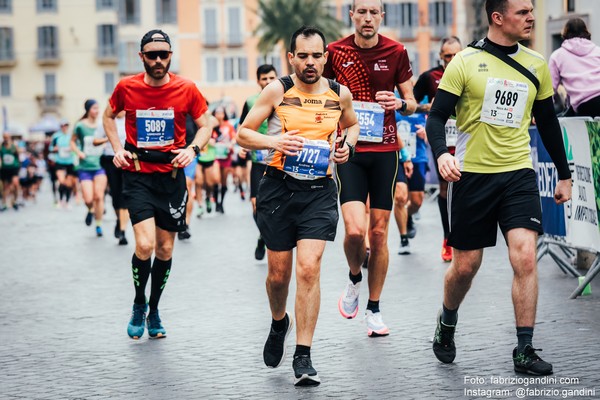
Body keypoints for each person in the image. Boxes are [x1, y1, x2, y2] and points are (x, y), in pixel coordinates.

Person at [425, 0, 572, 375]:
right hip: (472, 175)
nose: (531, 18)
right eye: (522, 12)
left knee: (524, 256)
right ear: (497, 17)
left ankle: (524, 348)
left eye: (531, 11)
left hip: (518, 173)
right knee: (465, 267)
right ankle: (447, 319)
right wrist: (442, 154)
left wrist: (564, 173)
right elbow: (437, 116)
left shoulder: (537, 63)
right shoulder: (464, 62)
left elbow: (548, 123)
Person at [237, 26, 359, 386]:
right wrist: (275, 143)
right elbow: (243, 134)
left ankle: (303, 354)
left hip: (319, 191)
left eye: (315, 55)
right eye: (301, 56)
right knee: (278, 276)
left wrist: (346, 148)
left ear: (325, 57)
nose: (309, 62)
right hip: (277, 190)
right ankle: (279, 322)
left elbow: (351, 128)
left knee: (309, 268)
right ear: (291, 58)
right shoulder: (277, 90)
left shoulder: (340, 94)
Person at [102, 29, 211, 340]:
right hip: (137, 176)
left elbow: (206, 124)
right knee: (145, 245)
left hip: (171, 179)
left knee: (164, 249)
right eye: (153, 55)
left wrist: (193, 149)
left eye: (164, 54)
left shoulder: (186, 88)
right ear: (142, 57)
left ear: (170, 56)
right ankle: (138, 303)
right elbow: (109, 116)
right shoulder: (127, 87)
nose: (159, 60)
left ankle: (155, 308)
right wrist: (117, 148)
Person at [323, 0, 416, 336]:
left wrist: (400, 103)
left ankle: (374, 309)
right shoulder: (334, 51)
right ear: (352, 15)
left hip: (385, 150)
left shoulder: (397, 51)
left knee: (379, 234)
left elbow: (412, 101)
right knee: (353, 232)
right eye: (360, 11)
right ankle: (354, 276)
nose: (366, 18)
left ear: (381, 16)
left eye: (372, 12)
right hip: (349, 148)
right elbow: (320, 95)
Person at [413, 36, 463, 261]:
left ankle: (464, 236)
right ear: (440, 57)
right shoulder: (429, 77)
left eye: (456, 55)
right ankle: (448, 238)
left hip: (466, 138)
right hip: (442, 138)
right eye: (448, 56)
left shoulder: (471, 71)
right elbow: (410, 104)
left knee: (466, 186)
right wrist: (428, 108)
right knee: (445, 186)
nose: (452, 60)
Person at [238, 64, 278, 260]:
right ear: (258, 81)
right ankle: (263, 234)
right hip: (258, 160)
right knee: (256, 203)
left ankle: (268, 233)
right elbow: (242, 129)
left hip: (278, 159)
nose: (268, 82)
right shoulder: (251, 101)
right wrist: (243, 146)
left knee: (275, 202)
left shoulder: (284, 98)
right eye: (264, 79)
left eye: (271, 78)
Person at [548, 17, 600, 118]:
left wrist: (544, 112)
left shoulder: (557, 56)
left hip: (585, 104)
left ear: (565, 34)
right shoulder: (597, 51)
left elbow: (549, 90)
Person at [71, 99, 108, 237]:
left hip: (100, 165)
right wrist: (78, 152)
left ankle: (98, 225)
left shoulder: (102, 125)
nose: (97, 111)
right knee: (88, 199)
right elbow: (72, 142)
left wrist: (105, 143)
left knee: (99, 196)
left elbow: (110, 137)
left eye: (98, 108)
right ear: (88, 110)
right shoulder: (80, 126)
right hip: (85, 166)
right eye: (94, 108)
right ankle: (91, 210)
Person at [98, 110, 129, 245]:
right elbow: (95, 140)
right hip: (111, 160)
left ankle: (122, 232)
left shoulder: (131, 120)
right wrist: (108, 138)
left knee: (125, 195)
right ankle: (119, 220)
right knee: (115, 195)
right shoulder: (107, 120)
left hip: (128, 161)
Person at [212, 107, 236, 213]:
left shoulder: (228, 126)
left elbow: (234, 138)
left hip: (226, 156)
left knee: (224, 181)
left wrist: (231, 144)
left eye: (221, 113)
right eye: (217, 113)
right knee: (216, 179)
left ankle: (221, 203)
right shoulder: (212, 125)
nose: (219, 115)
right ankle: (216, 202)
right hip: (215, 156)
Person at [49, 120, 77, 209]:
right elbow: (50, 148)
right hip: (59, 162)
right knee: (61, 181)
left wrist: (72, 149)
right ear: (60, 126)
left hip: (69, 162)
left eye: (66, 125)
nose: (64, 127)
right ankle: (61, 200)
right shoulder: (56, 136)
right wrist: (55, 149)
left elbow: (78, 146)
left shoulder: (71, 135)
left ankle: (67, 202)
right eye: (62, 125)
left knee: (68, 183)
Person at [0, 133, 21, 211]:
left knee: (15, 184)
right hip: (5, 169)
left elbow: (18, 156)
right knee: (5, 186)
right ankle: (4, 203)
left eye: (7, 137)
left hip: (13, 168)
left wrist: (19, 166)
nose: (6, 139)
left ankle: (15, 201)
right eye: (4, 137)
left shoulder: (14, 146)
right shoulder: (1, 146)